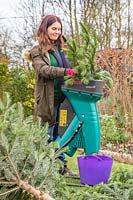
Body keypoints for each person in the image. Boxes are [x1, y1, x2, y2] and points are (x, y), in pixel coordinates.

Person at [23, 15, 76, 175]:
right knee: (47, 136)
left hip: (64, 100)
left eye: (59, 29)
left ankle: (61, 168)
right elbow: (44, 70)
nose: (57, 32)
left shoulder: (62, 50)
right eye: (54, 28)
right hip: (48, 101)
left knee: (61, 136)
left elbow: (72, 68)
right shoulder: (37, 50)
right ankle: (42, 171)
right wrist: (67, 71)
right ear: (45, 29)